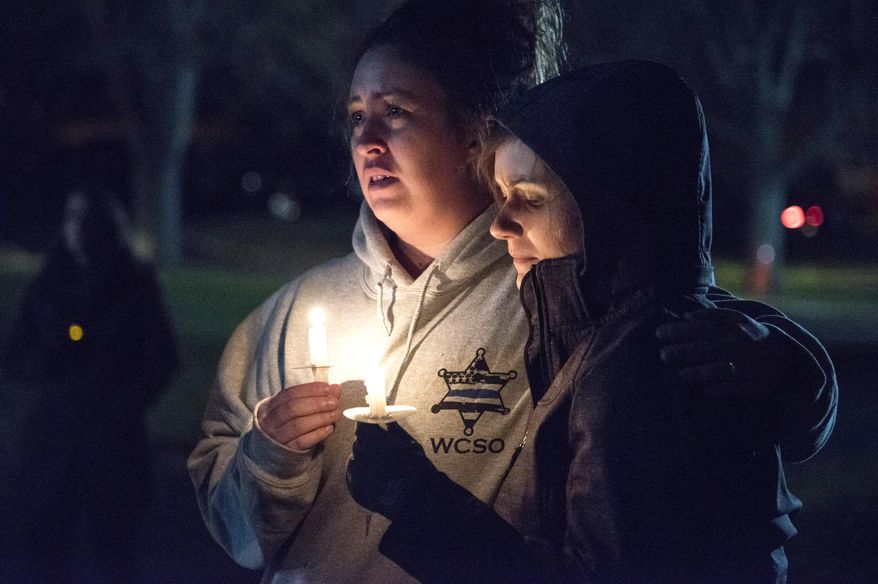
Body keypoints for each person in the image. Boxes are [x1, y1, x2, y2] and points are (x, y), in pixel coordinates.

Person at [188, 2, 835, 582]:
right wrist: (267, 456)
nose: (367, 139)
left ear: (474, 129)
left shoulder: (563, 303)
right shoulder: (290, 319)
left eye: (397, 112)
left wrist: (799, 379)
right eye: (356, 114)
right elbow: (238, 539)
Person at [345, 61, 838, 583]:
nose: (499, 225)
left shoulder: (641, 362)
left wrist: (419, 501)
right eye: (501, 196)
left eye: (529, 200)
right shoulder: (633, 327)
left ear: (616, 208)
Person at [1, 188, 179, 584]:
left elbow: (161, 357)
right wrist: (51, 354)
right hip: (54, 438)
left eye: (94, 220)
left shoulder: (134, 288)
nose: (84, 230)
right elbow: (17, 359)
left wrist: (123, 403)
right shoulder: (48, 287)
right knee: (46, 544)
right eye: (75, 218)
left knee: (114, 546)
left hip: (112, 436)